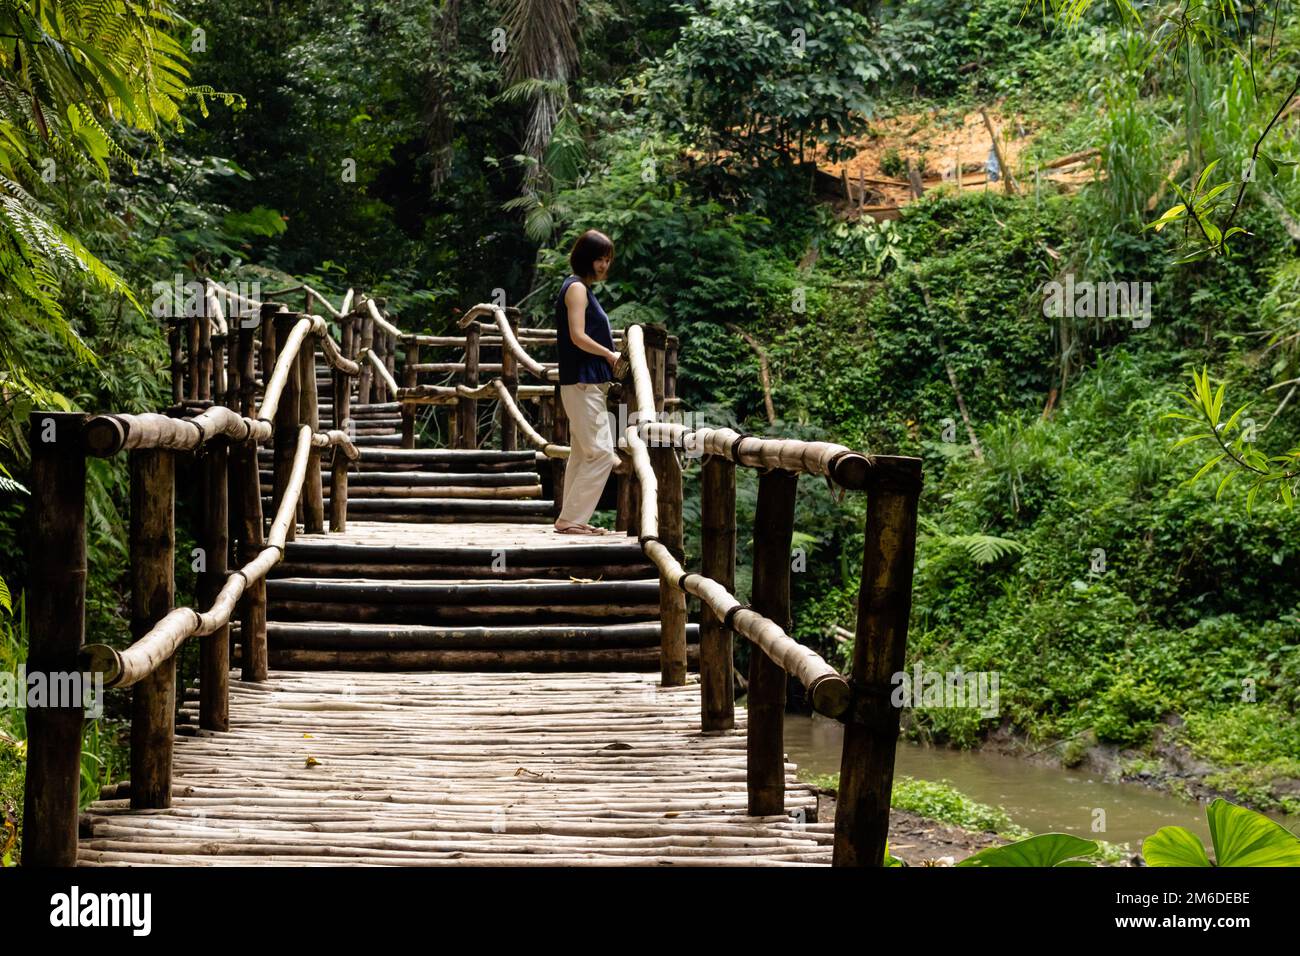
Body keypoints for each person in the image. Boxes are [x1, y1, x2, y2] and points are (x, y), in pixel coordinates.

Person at [553, 229, 621, 535]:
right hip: (582, 382)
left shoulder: (581, 288)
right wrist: (610, 354)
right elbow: (577, 336)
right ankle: (570, 520)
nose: (604, 265)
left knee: (582, 452)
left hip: (585, 382)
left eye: (607, 259)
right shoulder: (577, 289)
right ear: (585, 258)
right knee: (602, 453)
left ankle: (571, 518)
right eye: (599, 258)